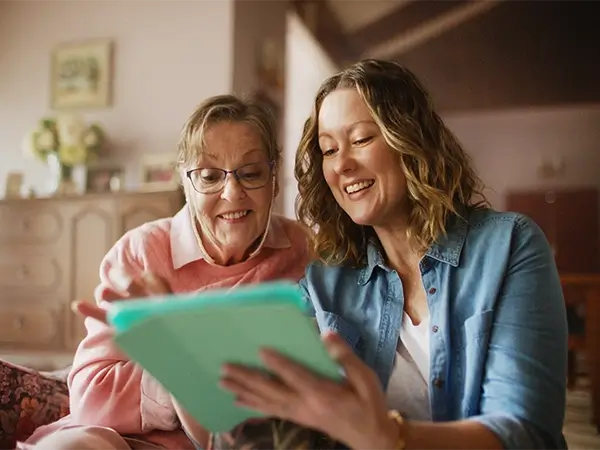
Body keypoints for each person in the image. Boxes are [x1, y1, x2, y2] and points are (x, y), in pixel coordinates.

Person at [218, 60, 568, 450]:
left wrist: (390, 437)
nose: (342, 164)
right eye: (328, 149)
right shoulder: (322, 285)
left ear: (412, 141)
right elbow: (268, 418)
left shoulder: (510, 245)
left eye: (362, 139)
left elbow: (525, 433)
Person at [18, 94, 310, 450]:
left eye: (250, 174)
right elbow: (93, 395)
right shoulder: (140, 252)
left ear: (274, 180)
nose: (232, 192)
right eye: (208, 176)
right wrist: (186, 371)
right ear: (185, 183)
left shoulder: (303, 251)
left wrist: (174, 358)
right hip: (117, 438)